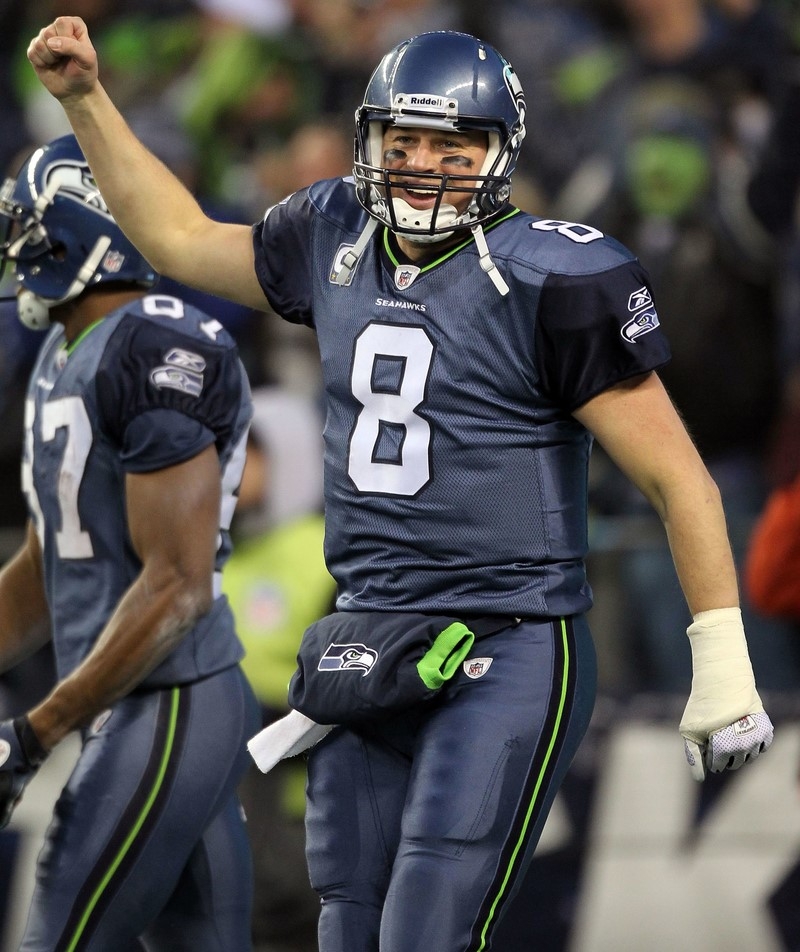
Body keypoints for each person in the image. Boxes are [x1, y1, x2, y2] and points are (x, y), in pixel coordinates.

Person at [25, 19, 774, 952]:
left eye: (451, 144)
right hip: (367, 634)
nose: (421, 163)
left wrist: (724, 667)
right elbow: (177, 238)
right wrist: (87, 100)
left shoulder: (552, 276)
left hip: (508, 638)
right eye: (403, 139)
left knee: (428, 928)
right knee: (349, 930)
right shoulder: (332, 230)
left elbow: (681, 482)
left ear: (496, 153)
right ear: (370, 139)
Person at [0, 132, 260, 951]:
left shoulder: (158, 346)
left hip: (170, 697)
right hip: (126, 699)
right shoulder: (61, 350)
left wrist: (34, 731)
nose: (19, 250)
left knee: (60, 935)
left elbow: (177, 586)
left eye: (32, 230)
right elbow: (54, 558)